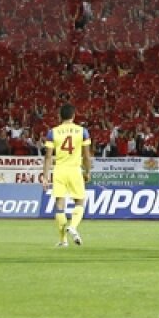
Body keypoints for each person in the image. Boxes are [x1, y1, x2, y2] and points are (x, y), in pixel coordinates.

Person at [41, 103, 92, 247]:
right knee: (80, 202)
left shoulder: (53, 132)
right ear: (74, 115)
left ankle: (63, 240)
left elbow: (48, 157)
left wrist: (45, 176)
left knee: (59, 204)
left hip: (59, 170)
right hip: (75, 170)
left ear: (60, 116)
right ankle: (73, 226)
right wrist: (87, 172)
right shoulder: (82, 131)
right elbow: (87, 156)